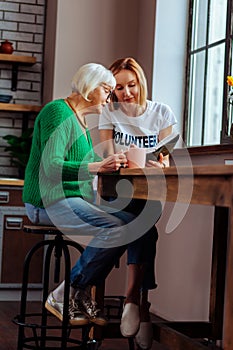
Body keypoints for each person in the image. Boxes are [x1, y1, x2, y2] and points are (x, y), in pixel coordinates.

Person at [22, 62, 159, 331]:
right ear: (90, 88)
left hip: (70, 200)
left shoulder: (80, 121)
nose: (110, 98)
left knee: (137, 225)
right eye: (107, 90)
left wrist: (112, 162)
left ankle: (82, 293)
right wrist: (97, 167)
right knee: (117, 226)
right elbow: (51, 166)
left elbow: (83, 162)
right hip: (47, 202)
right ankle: (67, 292)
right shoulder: (57, 112)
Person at [99, 57, 177, 348]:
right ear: (112, 90)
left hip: (150, 190)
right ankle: (139, 302)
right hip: (116, 191)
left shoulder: (162, 113)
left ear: (141, 82)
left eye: (131, 85)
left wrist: (162, 166)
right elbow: (106, 154)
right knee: (145, 228)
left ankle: (134, 301)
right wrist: (115, 159)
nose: (127, 92)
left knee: (144, 221)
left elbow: (167, 159)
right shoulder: (109, 113)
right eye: (119, 87)